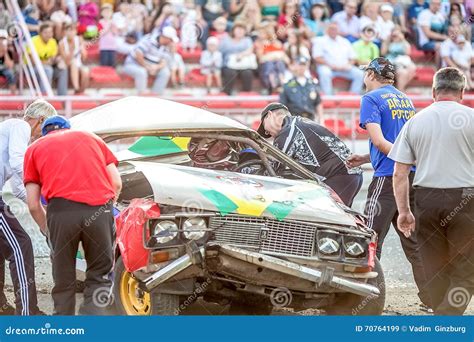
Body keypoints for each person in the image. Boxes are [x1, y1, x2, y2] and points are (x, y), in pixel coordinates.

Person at [346, 57, 431, 310]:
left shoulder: (370, 99)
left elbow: (382, 142)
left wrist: (393, 159)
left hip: (387, 179)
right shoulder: (405, 99)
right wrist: (366, 156)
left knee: (370, 239)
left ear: (372, 74)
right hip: (411, 177)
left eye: (365, 73)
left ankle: (365, 299)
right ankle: (432, 299)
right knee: (414, 242)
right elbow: (402, 143)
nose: (364, 77)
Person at [389, 67, 474, 315]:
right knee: (466, 267)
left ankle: (442, 318)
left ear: (434, 91)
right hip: (466, 199)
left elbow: (399, 173)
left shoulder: (415, 121)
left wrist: (404, 212)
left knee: (434, 266)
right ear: (463, 91)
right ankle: (448, 318)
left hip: (426, 199)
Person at [24, 115, 122, 315]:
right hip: (99, 208)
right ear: (68, 128)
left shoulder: (34, 148)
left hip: (60, 213)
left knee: (64, 280)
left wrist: (48, 230)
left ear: (44, 133)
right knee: (99, 277)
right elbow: (117, 183)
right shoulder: (92, 138)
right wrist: (106, 212)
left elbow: (33, 205)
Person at [0, 99, 56, 316]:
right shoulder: (20, 126)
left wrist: (45, 206)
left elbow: (19, 190)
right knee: (20, 245)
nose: (42, 138)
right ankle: (28, 311)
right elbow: (17, 162)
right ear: (40, 120)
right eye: (45, 131)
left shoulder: (9, 131)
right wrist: (49, 191)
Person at [257, 102, 363, 207]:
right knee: (337, 218)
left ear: (270, 115)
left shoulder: (287, 132)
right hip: (348, 173)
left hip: (339, 175)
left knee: (325, 219)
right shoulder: (300, 122)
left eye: (265, 129)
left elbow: (274, 171)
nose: (267, 134)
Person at [123, 26, 177, 95]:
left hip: (150, 66)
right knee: (141, 72)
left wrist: (156, 67)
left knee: (165, 72)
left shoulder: (165, 45)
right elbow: (138, 54)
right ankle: (142, 96)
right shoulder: (149, 39)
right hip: (133, 64)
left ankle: (155, 95)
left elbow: (164, 61)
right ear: (166, 38)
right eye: (171, 40)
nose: (172, 42)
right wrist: (147, 67)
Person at [313, 22, 364, 95]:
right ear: (327, 30)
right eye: (331, 29)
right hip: (328, 67)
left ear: (338, 30)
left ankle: (353, 96)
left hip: (344, 68)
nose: (333, 31)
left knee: (360, 74)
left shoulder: (344, 41)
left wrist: (348, 65)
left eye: (335, 29)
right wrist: (330, 65)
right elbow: (317, 57)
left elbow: (353, 57)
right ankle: (328, 97)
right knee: (324, 73)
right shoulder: (320, 41)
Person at [279, 56, 323, 122]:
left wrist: (321, 119)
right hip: (294, 120)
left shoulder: (312, 83)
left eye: (303, 65)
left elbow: (318, 103)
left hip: (311, 120)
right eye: (299, 65)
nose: (301, 67)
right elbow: (283, 105)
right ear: (295, 66)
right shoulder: (288, 85)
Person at [30, 22, 68, 95]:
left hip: (47, 67)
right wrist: (48, 62)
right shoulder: (33, 41)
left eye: (50, 32)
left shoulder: (53, 42)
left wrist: (58, 60)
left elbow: (53, 59)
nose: (48, 34)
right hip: (33, 69)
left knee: (63, 69)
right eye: (46, 32)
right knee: (48, 69)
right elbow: (33, 62)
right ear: (40, 33)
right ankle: (43, 96)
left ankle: (62, 97)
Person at [219, 21, 256, 95]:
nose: (240, 31)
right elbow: (220, 51)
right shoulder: (225, 39)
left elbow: (250, 50)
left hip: (243, 63)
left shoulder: (247, 40)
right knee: (230, 73)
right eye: (238, 29)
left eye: (242, 29)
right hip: (228, 64)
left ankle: (246, 94)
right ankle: (226, 94)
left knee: (247, 73)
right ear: (233, 30)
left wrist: (241, 55)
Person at [382, 26, 416, 92]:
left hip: (402, 62)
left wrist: (403, 39)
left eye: (397, 33)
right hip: (391, 62)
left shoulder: (403, 43)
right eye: (394, 34)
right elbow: (383, 53)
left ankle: (399, 88)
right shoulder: (388, 42)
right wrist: (388, 41)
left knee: (412, 68)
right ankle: (400, 90)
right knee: (403, 72)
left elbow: (408, 52)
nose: (396, 35)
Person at [58, 24, 89, 94]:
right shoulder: (62, 43)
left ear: (75, 32)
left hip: (78, 63)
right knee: (73, 63)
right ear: (64, 32)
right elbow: (66, 60)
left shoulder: (79, 39)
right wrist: (72, 50)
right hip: (66, 64)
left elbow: (84, 58)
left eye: (72, 31)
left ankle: (81, 92)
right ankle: (76, 87)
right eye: (68, 31)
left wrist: (83, 51)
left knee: (86, 72)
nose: (70, 33)